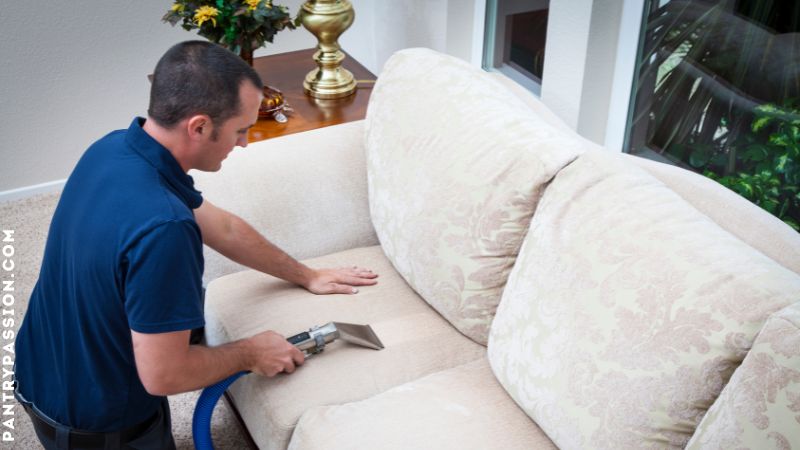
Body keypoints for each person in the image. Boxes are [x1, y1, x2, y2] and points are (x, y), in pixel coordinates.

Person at [14, 40, 378, 449]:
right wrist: (250, 352)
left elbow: (224, 227)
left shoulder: (113, 148)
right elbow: (164, 375)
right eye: (240, 130)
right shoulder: (165, 229)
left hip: (37, 368)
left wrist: (307, 274)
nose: (243, 143)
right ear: (200, 126)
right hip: (97, 426)